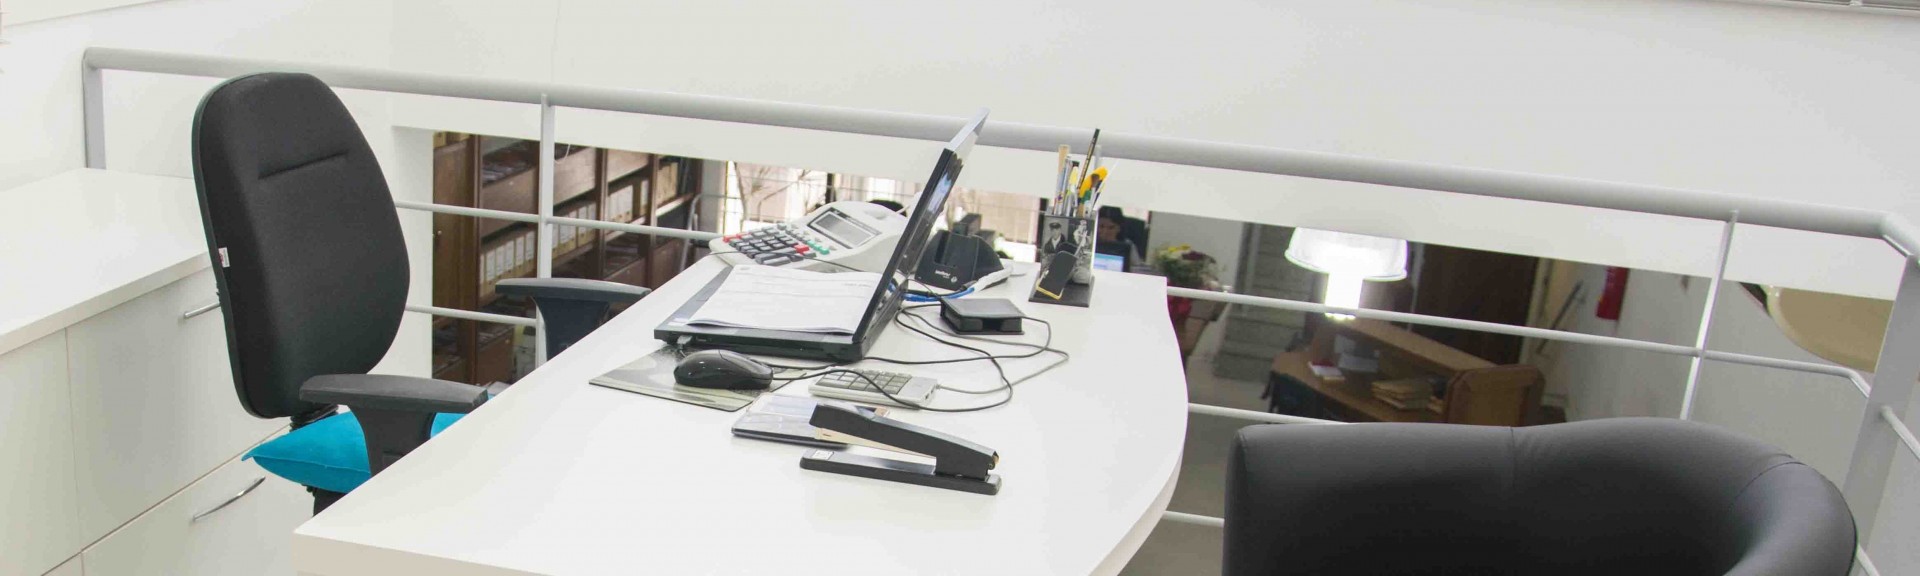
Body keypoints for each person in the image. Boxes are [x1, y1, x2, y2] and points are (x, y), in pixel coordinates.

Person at [1096, 206, 1140, 270]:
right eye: (1101, 226)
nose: (1105, 232)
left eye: (1111, 227)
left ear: (1119, 228)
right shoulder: (1088, 242)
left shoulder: (1128, 245)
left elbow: (1136, 269)